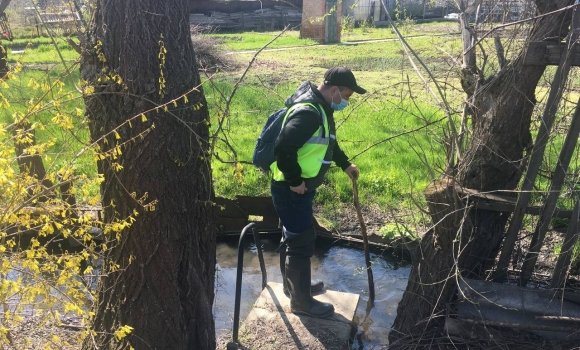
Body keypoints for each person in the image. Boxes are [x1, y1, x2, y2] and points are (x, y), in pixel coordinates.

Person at [271, 67, 366, 318]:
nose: (346, 101)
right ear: (334, 90)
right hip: (291, 190)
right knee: (301, 242)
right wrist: (294, 180)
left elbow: (327, 142)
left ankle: (294, 288)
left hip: (297, 190)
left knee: (293, 237)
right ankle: (302, 302)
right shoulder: (309, 112)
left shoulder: (320, 108)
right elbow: (283, 148)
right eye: (346, 96)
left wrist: (345, 164)